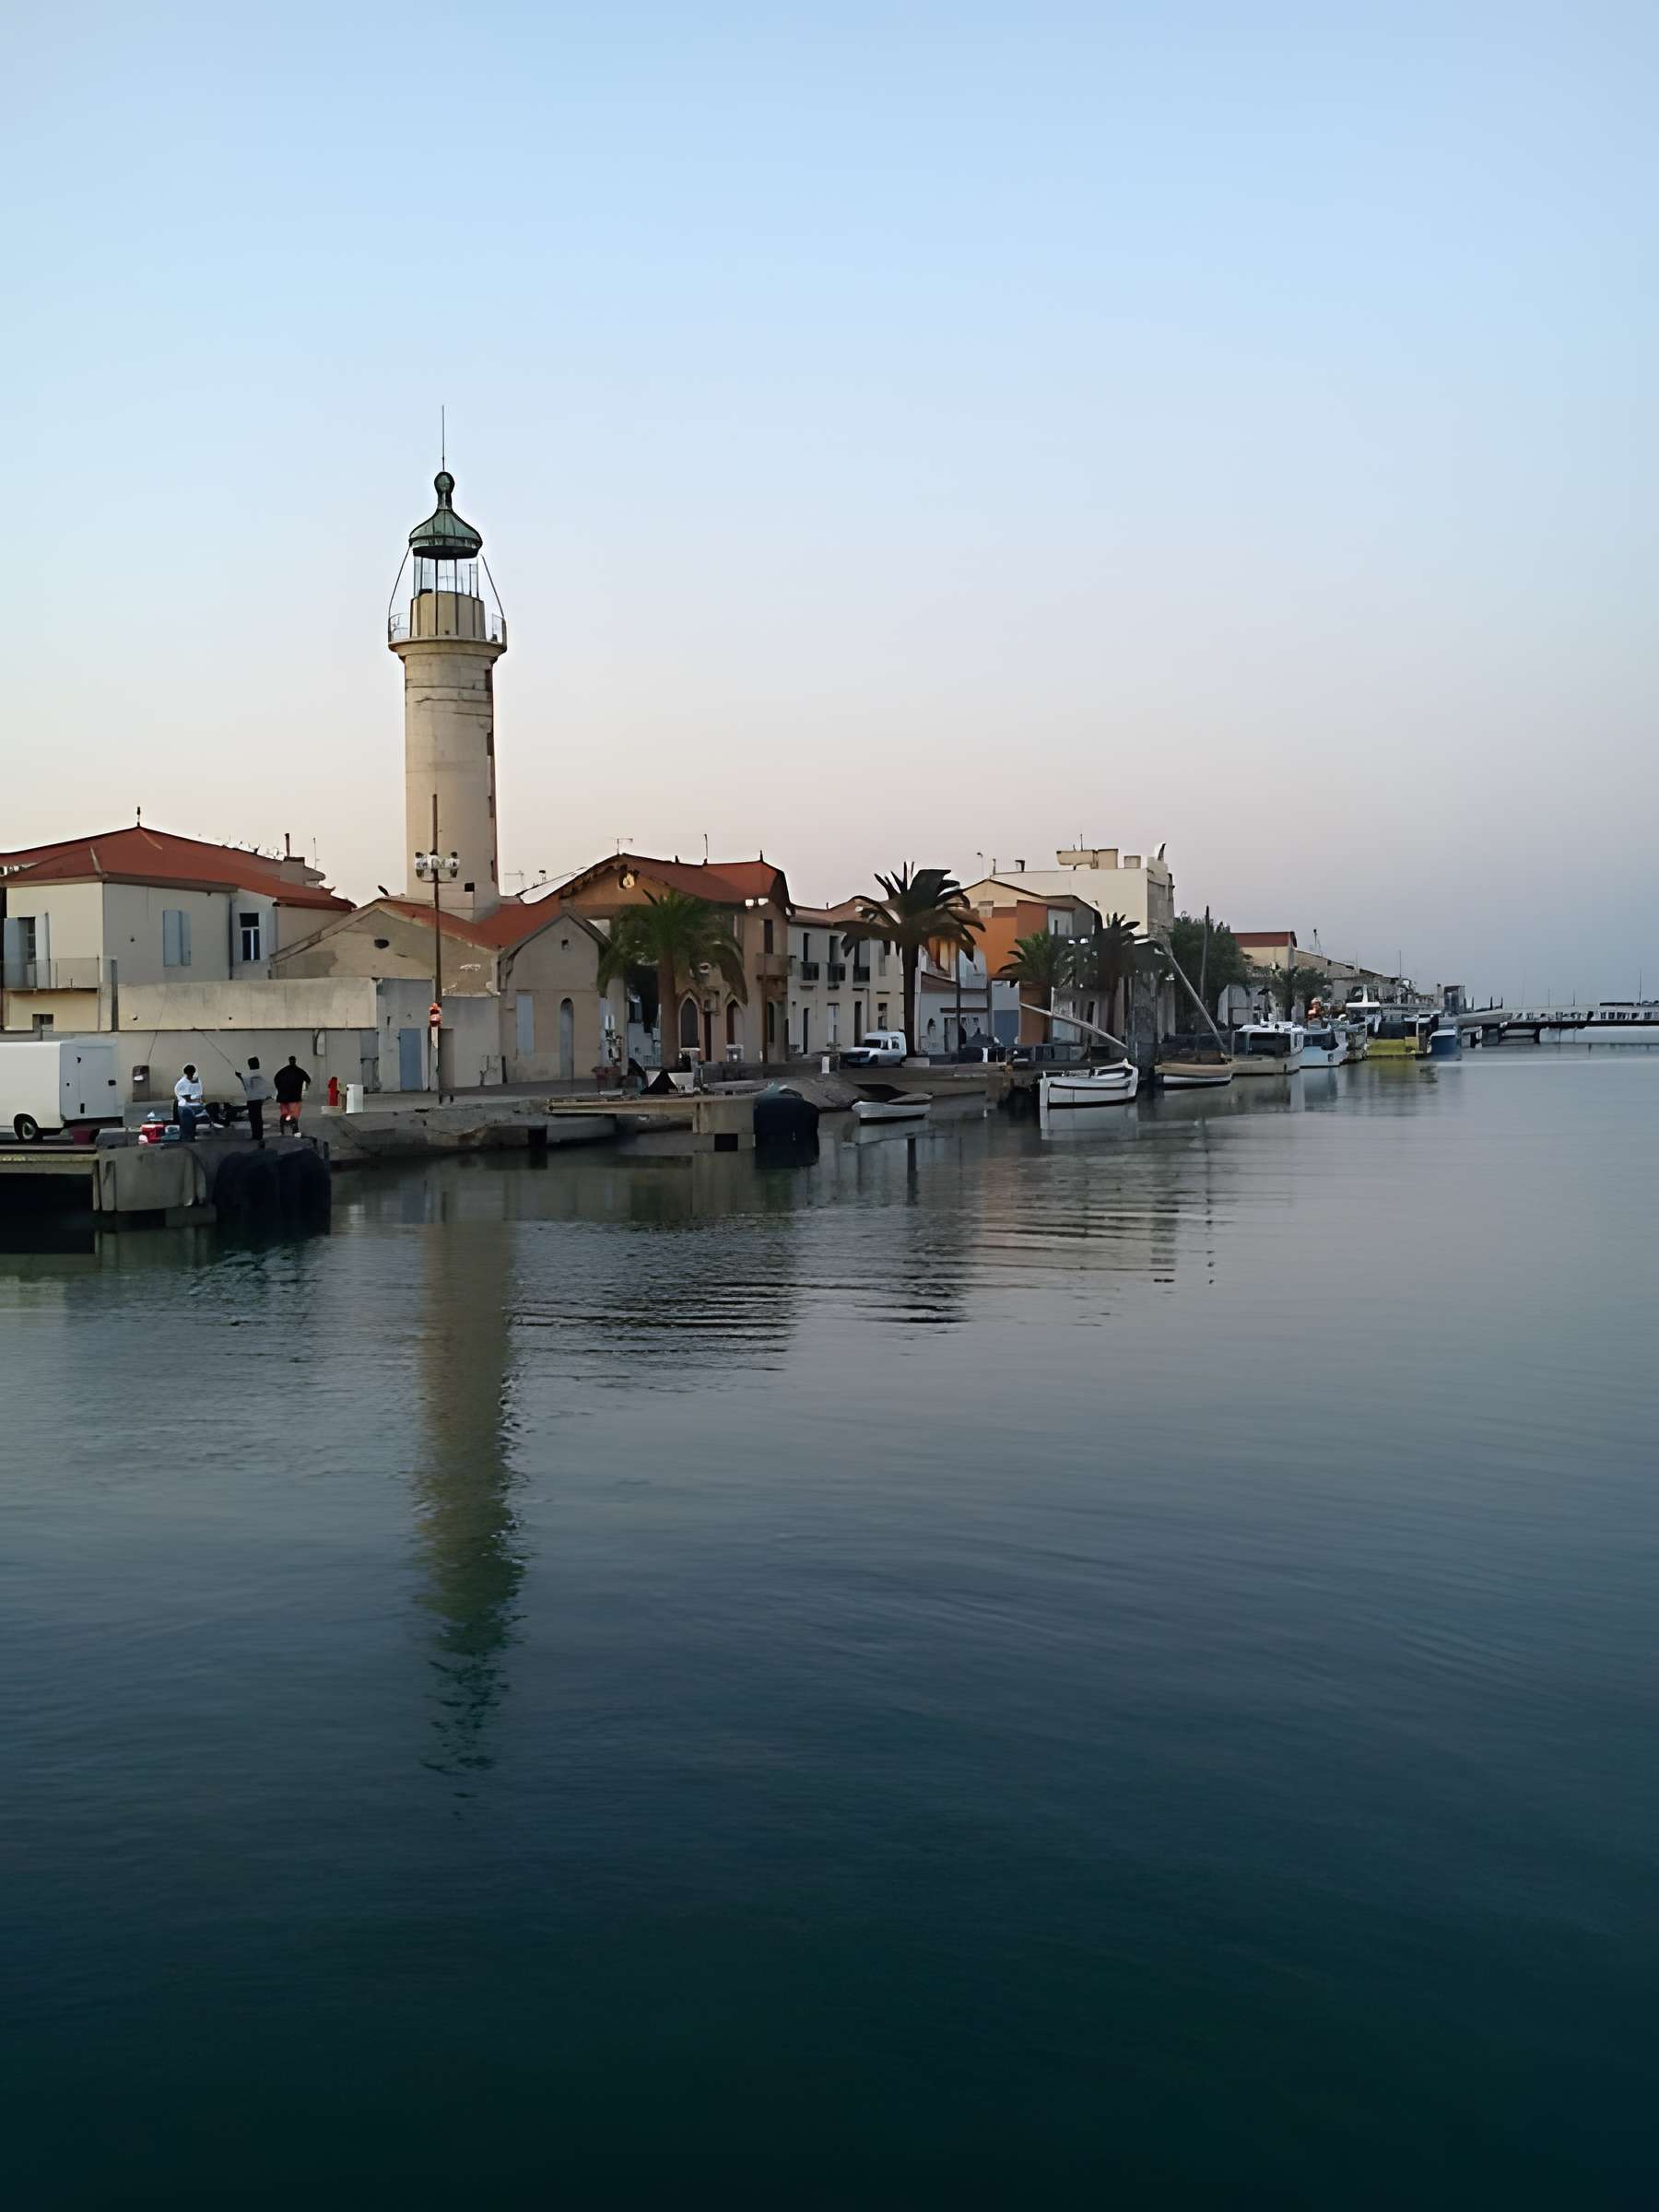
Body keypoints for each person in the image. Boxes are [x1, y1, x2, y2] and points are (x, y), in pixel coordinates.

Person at [238, 1056, 273, 1145]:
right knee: (258, 1118)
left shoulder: (249, 1075)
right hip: (259, 1100)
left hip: (252, 1100)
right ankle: (259, 1135)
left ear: (250, 1065)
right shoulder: (262, 1074)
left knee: (254, 1118)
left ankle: (256, 1136)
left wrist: (239, 1077)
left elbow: (246, 1087)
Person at [274, 1055, 312, 1135]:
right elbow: (308, 1080)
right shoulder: (300, 1071)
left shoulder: (282, 1071)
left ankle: (282, 1129)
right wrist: (306, 1088)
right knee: (295, 1113)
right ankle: (295, 1128)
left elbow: (276, 1079)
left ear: (289, 1061)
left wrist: (279, 1089)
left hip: (283, 1097)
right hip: (295, 1097)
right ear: (295, 1061)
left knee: (284, 1113)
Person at [173, 1063, 205, 1141]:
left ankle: (190, 1137)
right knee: (187, 1124)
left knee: (191, 1124)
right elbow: (188, 1099)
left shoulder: (196, 1080)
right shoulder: (182, 1083)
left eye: (192, 1072)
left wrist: (200, 1100)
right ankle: (187, 1139)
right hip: (185, 1107)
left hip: (194, 1106)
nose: (192, 1074)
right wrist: (198, 1100)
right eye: (190, 1073)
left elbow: (199, 1093)